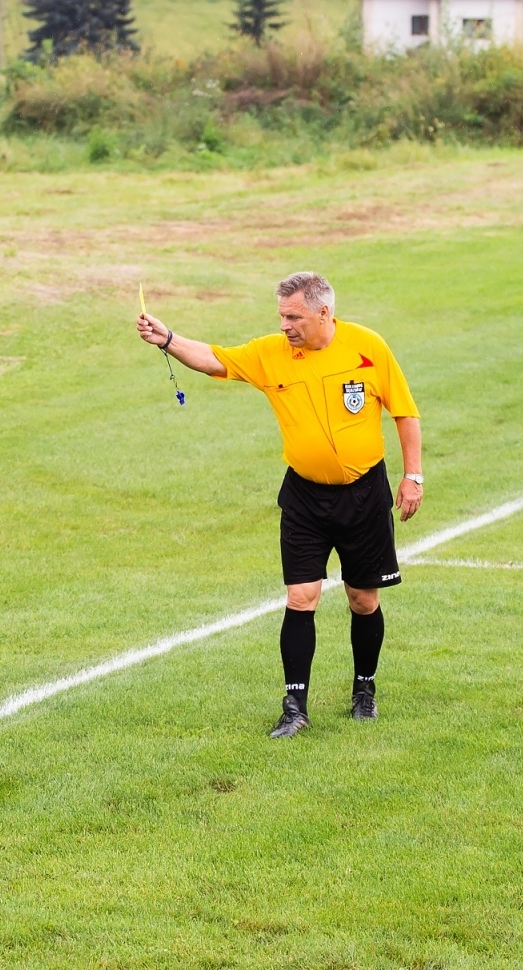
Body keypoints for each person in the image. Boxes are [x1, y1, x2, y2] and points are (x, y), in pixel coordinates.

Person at [136, 271, 423, 738]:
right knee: (301, 596)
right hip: (305, 497)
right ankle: (295, 707)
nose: (285, 325)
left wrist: (413, 476)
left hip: (364, 494)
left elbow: (405, 412)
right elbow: (214, 359)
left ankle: (364, 690)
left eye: (294, 317)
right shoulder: (271, 354)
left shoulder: (368, 347)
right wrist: (168, 338)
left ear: (323, 312)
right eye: (282, 316)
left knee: (362, 599)